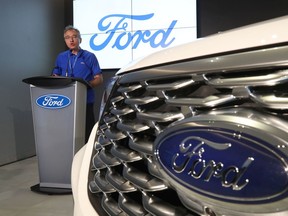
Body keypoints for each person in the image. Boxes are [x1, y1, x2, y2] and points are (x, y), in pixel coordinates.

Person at [52, 25, 103, 142]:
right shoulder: (61, 57)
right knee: (68, 135)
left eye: (74, 37)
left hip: (85, 101)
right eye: (67, 37)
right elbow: (55, 75)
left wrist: (85, 85)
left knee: (87, 135)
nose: (71, 40)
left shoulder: (89, 56)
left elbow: (99, 79)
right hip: (65, 102)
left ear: (80, 39)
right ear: (65, 40)